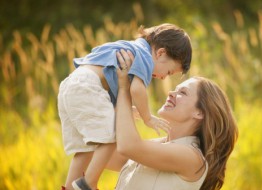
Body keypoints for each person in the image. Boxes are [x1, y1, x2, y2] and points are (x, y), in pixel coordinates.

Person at [57, 23, 192, 190]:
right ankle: (88, 183)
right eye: (169, 72)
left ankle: (71, 187)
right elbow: (136, 89)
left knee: (85, 148)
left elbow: (106, 76)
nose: (164, 78)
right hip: (88, 87)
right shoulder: (144, 57)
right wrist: (147, 117)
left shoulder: (130, 47)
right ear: (160, 53)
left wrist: (129, 109)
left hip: (71, 86)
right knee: (114, 133)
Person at [104, 50, 239, 190]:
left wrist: (124, 89)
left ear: (199, 113)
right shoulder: (155, 145)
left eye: (183, 92)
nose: (171, 93)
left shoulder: (192, 158)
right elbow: (99, 153)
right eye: (175, 89)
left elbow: (129, 147)